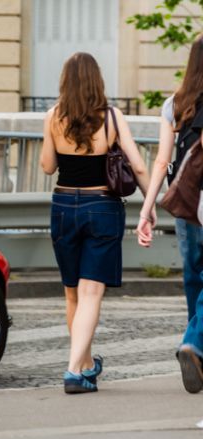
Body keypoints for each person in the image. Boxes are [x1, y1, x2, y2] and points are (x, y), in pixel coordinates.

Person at [40, 52, 151, 394]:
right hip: (101, 206)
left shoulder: (53, 117)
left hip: (63, 207)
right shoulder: (112, 118)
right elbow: (140, 166)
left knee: (72, 293)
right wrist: (150, 205)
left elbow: (47, 166)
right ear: (96, 81)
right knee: (91, 293)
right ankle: (74, 371)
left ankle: (86, 365)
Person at [136, 35, 203, 393]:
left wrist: (146, 211)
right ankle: (194, 344)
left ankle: (196, 348)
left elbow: (162, 162)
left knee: (194, 273)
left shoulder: (174, 105)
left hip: (186, 201)